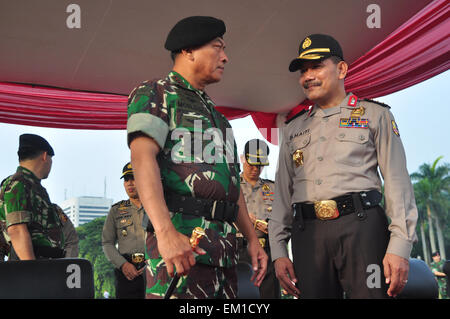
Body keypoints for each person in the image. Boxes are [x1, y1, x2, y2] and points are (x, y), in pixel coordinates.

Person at [126, 16, 267, 299]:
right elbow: (142, 160)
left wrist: (252, 239)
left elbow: (232, 187)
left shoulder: (220, 119)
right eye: (218, 47)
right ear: (188, 50)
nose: (225, 57)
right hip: (181, 247)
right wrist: (165, 233)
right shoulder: (157, 93)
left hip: (224, 253)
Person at [269, 34, 418, 299]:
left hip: (362, 229)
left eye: (316, 67)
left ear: (341, 69)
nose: (307, 76)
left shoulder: (376, 115)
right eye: (303, 71)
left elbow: (397, 182)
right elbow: (282, 194)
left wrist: (399, 246)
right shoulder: (292, 129)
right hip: (308, 235)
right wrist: (279, 252)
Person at [0, 134, 64, 260]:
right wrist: (32, 270)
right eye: (51, 159)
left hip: (43, 261)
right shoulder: (19, 183)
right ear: (45, 156)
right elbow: (17, 229)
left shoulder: (31, 184)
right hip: (29, 263)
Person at [238, 139, 280, 299]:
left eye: (260, 165)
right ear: (243, 159)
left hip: (267, 252)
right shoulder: (232, 186)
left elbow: (285, 220)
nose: (255, 169)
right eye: (251, 164)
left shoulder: (274, 188)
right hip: (240, 251)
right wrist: (246, 219)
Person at [102, 162, 146, 299]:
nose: (130, 183)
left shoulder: (157, 207)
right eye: (126, 180)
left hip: (154, 268)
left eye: (133, 178)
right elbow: (107, 243)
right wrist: (123, 265)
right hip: (126, 273)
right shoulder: (116, 210)